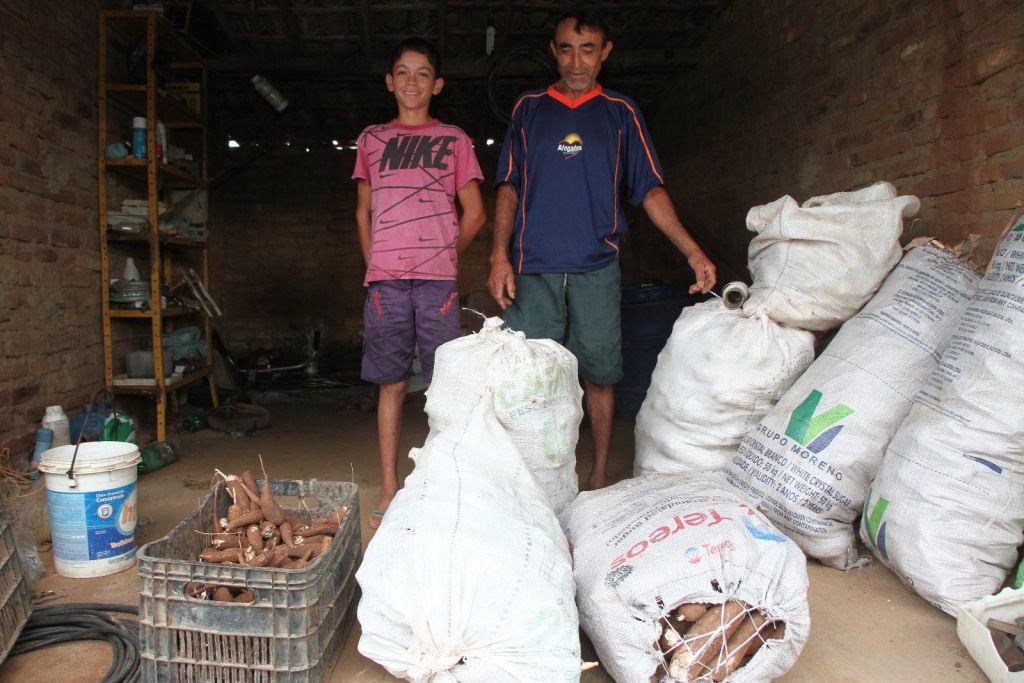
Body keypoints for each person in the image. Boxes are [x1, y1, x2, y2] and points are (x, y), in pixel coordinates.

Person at [488, 11, 716, 490]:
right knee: (530, 377)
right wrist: (498, 256)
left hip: (597, 265)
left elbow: (649, 189)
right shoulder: (529, 109)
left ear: (605, 52)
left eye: (587, 49)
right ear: (554, 50)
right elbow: (507, 185)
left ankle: (595, 478)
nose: (576, 61)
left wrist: (693, 252)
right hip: (533, 265)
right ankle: (533, 478)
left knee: (601, 373)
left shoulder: (620, 113)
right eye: (567, 49)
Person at [354, 38, 486, 529]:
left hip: (437, 283)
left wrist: (443, 255)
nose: (413, 82)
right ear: (390, 81)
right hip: (386, 284)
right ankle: (391, 486)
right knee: (391, 384)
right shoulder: (371, 140)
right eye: (403, 73)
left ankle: (440, 482)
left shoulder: (454, 139)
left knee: (442, 386)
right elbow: (363, 212)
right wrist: (376, 265)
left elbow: (475, 212)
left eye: (423, 73)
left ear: (438, 84)